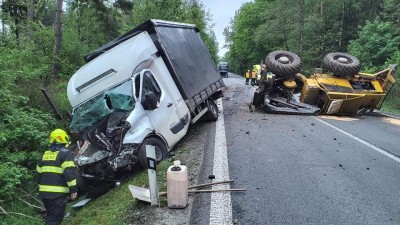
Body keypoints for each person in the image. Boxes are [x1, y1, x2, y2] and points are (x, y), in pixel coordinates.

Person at [36, 129, 78, 225]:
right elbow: (69, 173)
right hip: (57, 195)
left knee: (50, 216)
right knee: (55, 219)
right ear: (64, 139)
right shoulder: (65, 154)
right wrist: (73, 190)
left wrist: (41, 188)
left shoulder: (44, 155)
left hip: (44, 194)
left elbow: (38, 175)